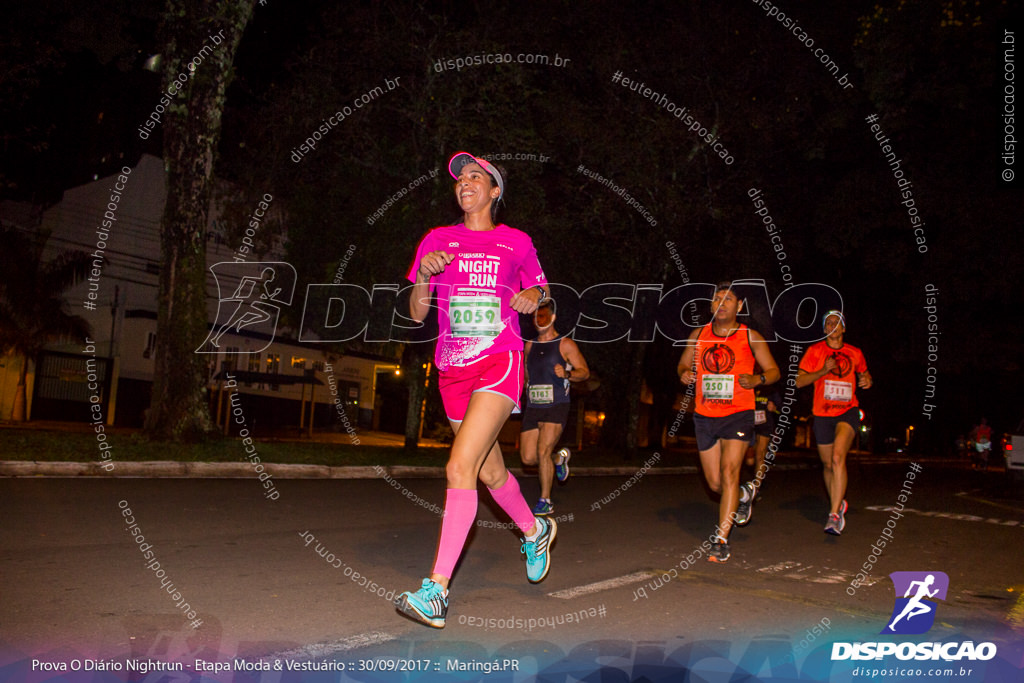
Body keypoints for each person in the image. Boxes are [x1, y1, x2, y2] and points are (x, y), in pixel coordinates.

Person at [394, 152, 555, 629]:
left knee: (458, 465)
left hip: (500, 361)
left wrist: (534, 298)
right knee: (488, 473)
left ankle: (437, 589)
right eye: (460, 178)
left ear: (494, 191)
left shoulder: (516, 242)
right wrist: (425, 273)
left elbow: (545, 298)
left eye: (474, 176)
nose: (464, 182)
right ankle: (533, 528)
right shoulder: (437, 240)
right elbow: (418, 313)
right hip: (453, 370)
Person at [677, 282, 780, 563]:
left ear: (739, 306)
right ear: (711, 306)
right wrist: (685, 372)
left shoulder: (751, 337)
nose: (721, 302)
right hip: (705, 415)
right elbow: (683, 364)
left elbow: (773, 372)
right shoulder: (698, 335)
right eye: (717, 298)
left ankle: (721, 539)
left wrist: (757, 379)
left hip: (738, 413)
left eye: (728, 298)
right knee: (714, 483)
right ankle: (744, 495)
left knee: (730, 472)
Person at [796, 310, 872, 536]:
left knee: (838, 457)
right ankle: (838, 503)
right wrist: (822, 370)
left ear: (843, 328)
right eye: (828, 322)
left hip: (848, 412)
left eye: (837, 322)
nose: (832, 325)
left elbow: (865, 375)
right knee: (828, 464)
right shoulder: (815, 351)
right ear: (824, 329)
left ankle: (834, 515)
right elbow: (799, 381)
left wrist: (867, 380)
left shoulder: (855, 352)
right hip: (822, 414)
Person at [519, 299, 590, 515]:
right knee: (528, 458)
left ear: (552, 318)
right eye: (536, 317)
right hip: (534, 405)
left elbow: (584, 372)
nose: (539, 320)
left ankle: (545, 500)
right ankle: (559, 459)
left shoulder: (565, 344)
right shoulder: (529, 345)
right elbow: (526, 375)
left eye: (543, 316)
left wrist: (567, 374)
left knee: (543, 451)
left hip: (557, 403)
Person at [744, 383, 782, 501]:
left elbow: (782, 410)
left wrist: (774, 409)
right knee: (750, 461)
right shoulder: (747, 386)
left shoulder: (771, 391)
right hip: (750, 426)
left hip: (765, 427)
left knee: (760, 455)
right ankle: (756, 474)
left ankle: (756, 488)